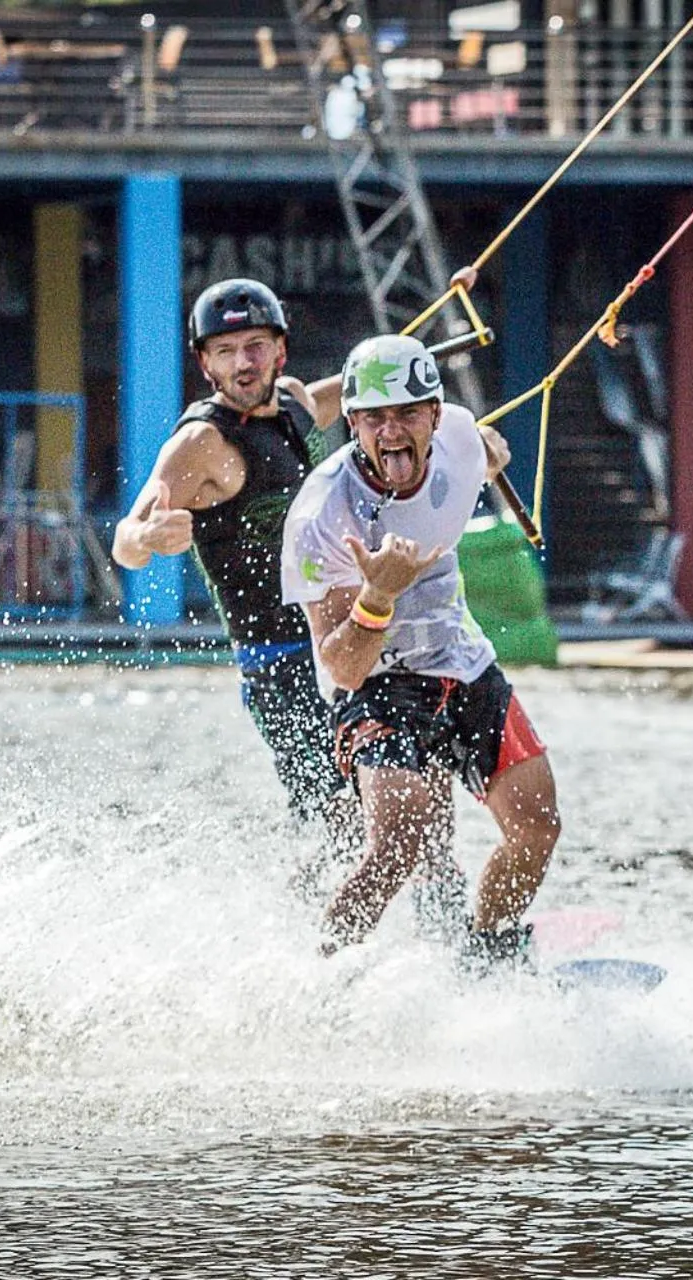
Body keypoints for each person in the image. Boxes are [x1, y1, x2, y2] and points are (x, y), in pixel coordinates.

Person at [110, 280, 469, 920]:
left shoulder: (296, 404)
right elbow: (124, 543)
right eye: (225, 352)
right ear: (205, 363)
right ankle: (293, 935)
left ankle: (452, 937)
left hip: (344, 646)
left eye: (255, 346)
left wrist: (440, 324)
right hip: (280, 668)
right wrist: (149, 537)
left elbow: (365, 390)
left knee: (424, 793)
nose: (243, 364)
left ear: (280, 350)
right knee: (345, 824)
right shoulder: (201, 443)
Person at [281, 334, 561, 970]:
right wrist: (377, 597)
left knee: (537, 824)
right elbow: (341, 666)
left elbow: (480, 449)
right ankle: (320, 977)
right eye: (374, 419)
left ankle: (486, 953)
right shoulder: (322, 516)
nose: (391, 433)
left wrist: (490, 454)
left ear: (435, 413)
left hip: (462, 664)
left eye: (408, 413)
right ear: (352, 424)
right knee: (398, 843)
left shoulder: (459, 436)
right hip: (377, 686)